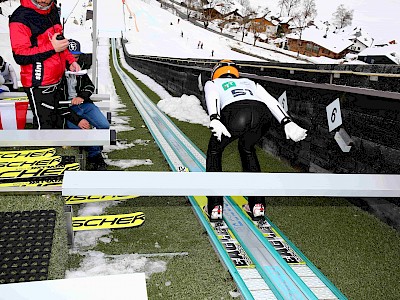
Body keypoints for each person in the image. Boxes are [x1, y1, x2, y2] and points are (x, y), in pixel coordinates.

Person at [204, 60, 307, 221]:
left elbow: (212, 96)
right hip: (261, 115)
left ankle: (215, 206)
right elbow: (271, 100)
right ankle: (257, 205)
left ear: (216, 71)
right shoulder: (250, 82)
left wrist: (215, 118)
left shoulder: (214, 82)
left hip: (235, 113)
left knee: (215, 152)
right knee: (247, 149)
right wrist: (286, 121)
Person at [9, 0, 87, 130]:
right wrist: (51, 48)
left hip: (57, 79)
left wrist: (70, 60)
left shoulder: (53, 9)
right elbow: (20, 56)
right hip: (38, 83)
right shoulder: (20, 17)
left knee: (56, 119)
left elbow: (60, 40)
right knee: (44, 125)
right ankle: (41, 148)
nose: (43, 1)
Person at [64, 39, 109, 171]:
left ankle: (94, 148)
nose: (74, 60)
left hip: (84, 105)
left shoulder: (80, 69)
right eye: (71, 56)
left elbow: (90, 86)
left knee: (104, 125)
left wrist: (81, 96)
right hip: (66, 109)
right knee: (83, 130)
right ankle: (95, 155)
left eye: (76, 57)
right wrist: (78, 120)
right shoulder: (56, 70)